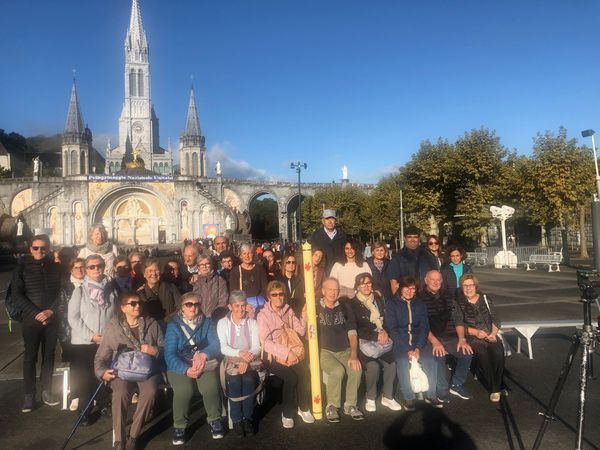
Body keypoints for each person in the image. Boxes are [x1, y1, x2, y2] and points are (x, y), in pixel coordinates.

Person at [94, 292, 164, 450]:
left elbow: (164, 348)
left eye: (139, 303)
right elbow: (101, 355)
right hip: (123, 370)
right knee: (119, 394)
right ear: (123, 308)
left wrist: (154, 350)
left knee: (150, 392)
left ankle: (133, 435)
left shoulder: (151, 323)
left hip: (147, 369)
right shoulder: (113, 327)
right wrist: (102, 372)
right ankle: (119, 440)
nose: (137, 306)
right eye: (132, 304)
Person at [12, 234, 62, 412]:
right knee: (30, 357)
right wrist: (36, 313)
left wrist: (51, 311)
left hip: (52, 318)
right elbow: (17, 295)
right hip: (31, 320)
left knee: (49, 356)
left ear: (48, 249)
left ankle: (47, 391)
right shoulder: (21, 269)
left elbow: (61, 293)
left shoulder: (56, 268)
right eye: (36, 248)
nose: (40, 251)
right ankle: (29, 395)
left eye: (43, 248)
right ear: (30, 249)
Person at [165, 292, 224, 444]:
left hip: (201, 361)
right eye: (188, 304)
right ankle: (179, 425)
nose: (193, 307)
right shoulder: (173, 325)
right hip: (179, 364)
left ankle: (214, 419)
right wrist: (186, 370)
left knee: (210, 387)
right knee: (184, 391)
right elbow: (169, 354)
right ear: (182, 308)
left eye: (196, 304)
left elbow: (215, 344)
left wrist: (204, 354)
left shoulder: (207, 322)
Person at [257, 281, 314, 428]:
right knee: (291, 377)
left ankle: (303, 407)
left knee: (302, 372)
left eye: (281, 294)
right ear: (269, 297)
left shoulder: (288, 310)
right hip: (273, 355)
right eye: (274, 295)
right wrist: (286, 353)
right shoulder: (263, 315)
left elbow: (300, 331)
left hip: (291, 350)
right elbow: (265, 342)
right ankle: (287, 413)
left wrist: (304, 316)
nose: (278, 297)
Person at [68, 254, 117, 424]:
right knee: (85, 377)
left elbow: (115, 316)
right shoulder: (79, 291)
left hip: (104, 341)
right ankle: (84, 409)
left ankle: (104, 403)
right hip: (83, 342)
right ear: (86, 270)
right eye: (92, 267)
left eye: (99, 265)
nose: (96, 269)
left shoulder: (111, 290)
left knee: (103, 374)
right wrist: (91, 335)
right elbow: (72, 318)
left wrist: (109, 335)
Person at [417, 270, 473, 403]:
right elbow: (421, 324)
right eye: (432, 280)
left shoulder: (448, 296)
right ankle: (442, 389)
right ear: (426, 281)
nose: (436, 282)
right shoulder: (419, 298)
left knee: (467, 352)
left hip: (450, 336)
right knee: (439, 354)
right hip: (430, 337)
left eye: (439, 280)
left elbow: (458, 319)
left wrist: (461, 339)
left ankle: (456, 384)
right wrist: (435, 342)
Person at [348, 273, 401, 412]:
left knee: (391, 363)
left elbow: (387, 319)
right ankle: (370, 397)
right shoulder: (352, 303)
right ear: (357, 286)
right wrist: (376, 335)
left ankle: (387, 396)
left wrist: (385, 332)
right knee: (373, 366)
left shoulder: (378, 299)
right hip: (365, 342)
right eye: (362, 283)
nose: (366, 286)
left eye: (369, 283)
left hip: (382, 337)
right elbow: (355, 327)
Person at [385, 276, 439, 410]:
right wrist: (407, 349)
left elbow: (424, 328)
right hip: (401, 342)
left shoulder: (420, 304)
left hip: (418, 341)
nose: (409, 292)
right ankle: (408, 397)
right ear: (400, 288)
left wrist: (418, 348)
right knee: (403, 362)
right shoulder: (392, 304)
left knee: (430, 360)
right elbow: (393, 329)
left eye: (413, 289)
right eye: (406, 288)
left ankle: (432, 394)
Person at [452, 274, 505, 402]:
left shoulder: (485, 299)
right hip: (472, 337)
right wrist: (475, 332)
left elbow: (496, 319)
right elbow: (458, 324)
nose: (468, 288)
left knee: (498, 353)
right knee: (483, 354)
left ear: (475, 286)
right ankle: (495, 389)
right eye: (465, 285)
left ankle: (497, 384)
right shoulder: (458, 303)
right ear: (461, 287)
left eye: (470, 285)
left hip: (489, 334)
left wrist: (493, 333)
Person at [318, 278, 364, 422]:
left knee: (356, 369)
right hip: (324, 351)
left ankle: (350, 405)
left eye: (336, 290)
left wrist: (354, 354)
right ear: (323, 291)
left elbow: (352, 333)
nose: (333, 292)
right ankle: (332, 406)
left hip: (343, 350)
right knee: (338, 371)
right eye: (330, 289)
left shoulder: (345, 307)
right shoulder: (315, 307)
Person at [217, 290, 261, 436]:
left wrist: (246, 359)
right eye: (236, 306)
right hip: (231, 360)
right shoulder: (223, 323)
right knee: (235, 383)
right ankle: (236, 420)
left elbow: (256, 346)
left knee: (248, 381)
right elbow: (223, 347)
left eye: (243, 305)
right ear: (230, 307)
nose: (240, 309)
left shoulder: (252, 323)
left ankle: (247, 418)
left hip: (250, 359)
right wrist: (239, 354)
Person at [57, 257, 86, 410]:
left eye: (82, 267)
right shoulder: (65, 286)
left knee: (90, 364)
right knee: (75, 365)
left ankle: (90, 392)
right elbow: (61, 310)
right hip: (71, 333)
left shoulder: (91, 283)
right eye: (76, 267)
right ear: (71, 270)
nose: (80, 270)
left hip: (89, 331)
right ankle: (76, 394)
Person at [230, 243, 268, 318]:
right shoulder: (235, 271)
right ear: (240, 255)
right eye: (244, 253)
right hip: (243, 306)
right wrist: (244, 305)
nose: (247, 256)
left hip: (259, 305)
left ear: (253, 255)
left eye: (249, 253)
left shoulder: (260, 269)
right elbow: (233, 292)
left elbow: (265, 288)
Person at [386, 226, 422, 296]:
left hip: (426, 299)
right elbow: (394, 282)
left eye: (415, 237)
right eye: (409, 237)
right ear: (405, 239)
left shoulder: (426, 255)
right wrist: (398, 302)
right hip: (407, 298)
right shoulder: (397, 258)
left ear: (419, 239)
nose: (412, 239)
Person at [192, 252, 228, 319]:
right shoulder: (196, 282)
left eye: (207, 264)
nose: (204, 266)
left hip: (215, 318)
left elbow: (223, 301)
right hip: (199, 319)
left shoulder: (220, 281)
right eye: (201, 264)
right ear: (198, 267)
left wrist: (214, 316)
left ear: (211, 265)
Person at [309, 209, 347, 273]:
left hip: (339, 271)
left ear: (335, 221)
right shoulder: (316, 236)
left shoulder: (342, 235)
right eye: (327, 219)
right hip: (322, 272)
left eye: (332, 219)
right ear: (323, 221)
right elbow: (311, 255)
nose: (330, 221)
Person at [276, 252, 305, 317]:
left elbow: (302, 298)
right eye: (288, 262)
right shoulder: (278, 279)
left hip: (297, 312)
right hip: (283, 312)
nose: (291, 264)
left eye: (293, 262)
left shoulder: (300, 279)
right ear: (284, 264)